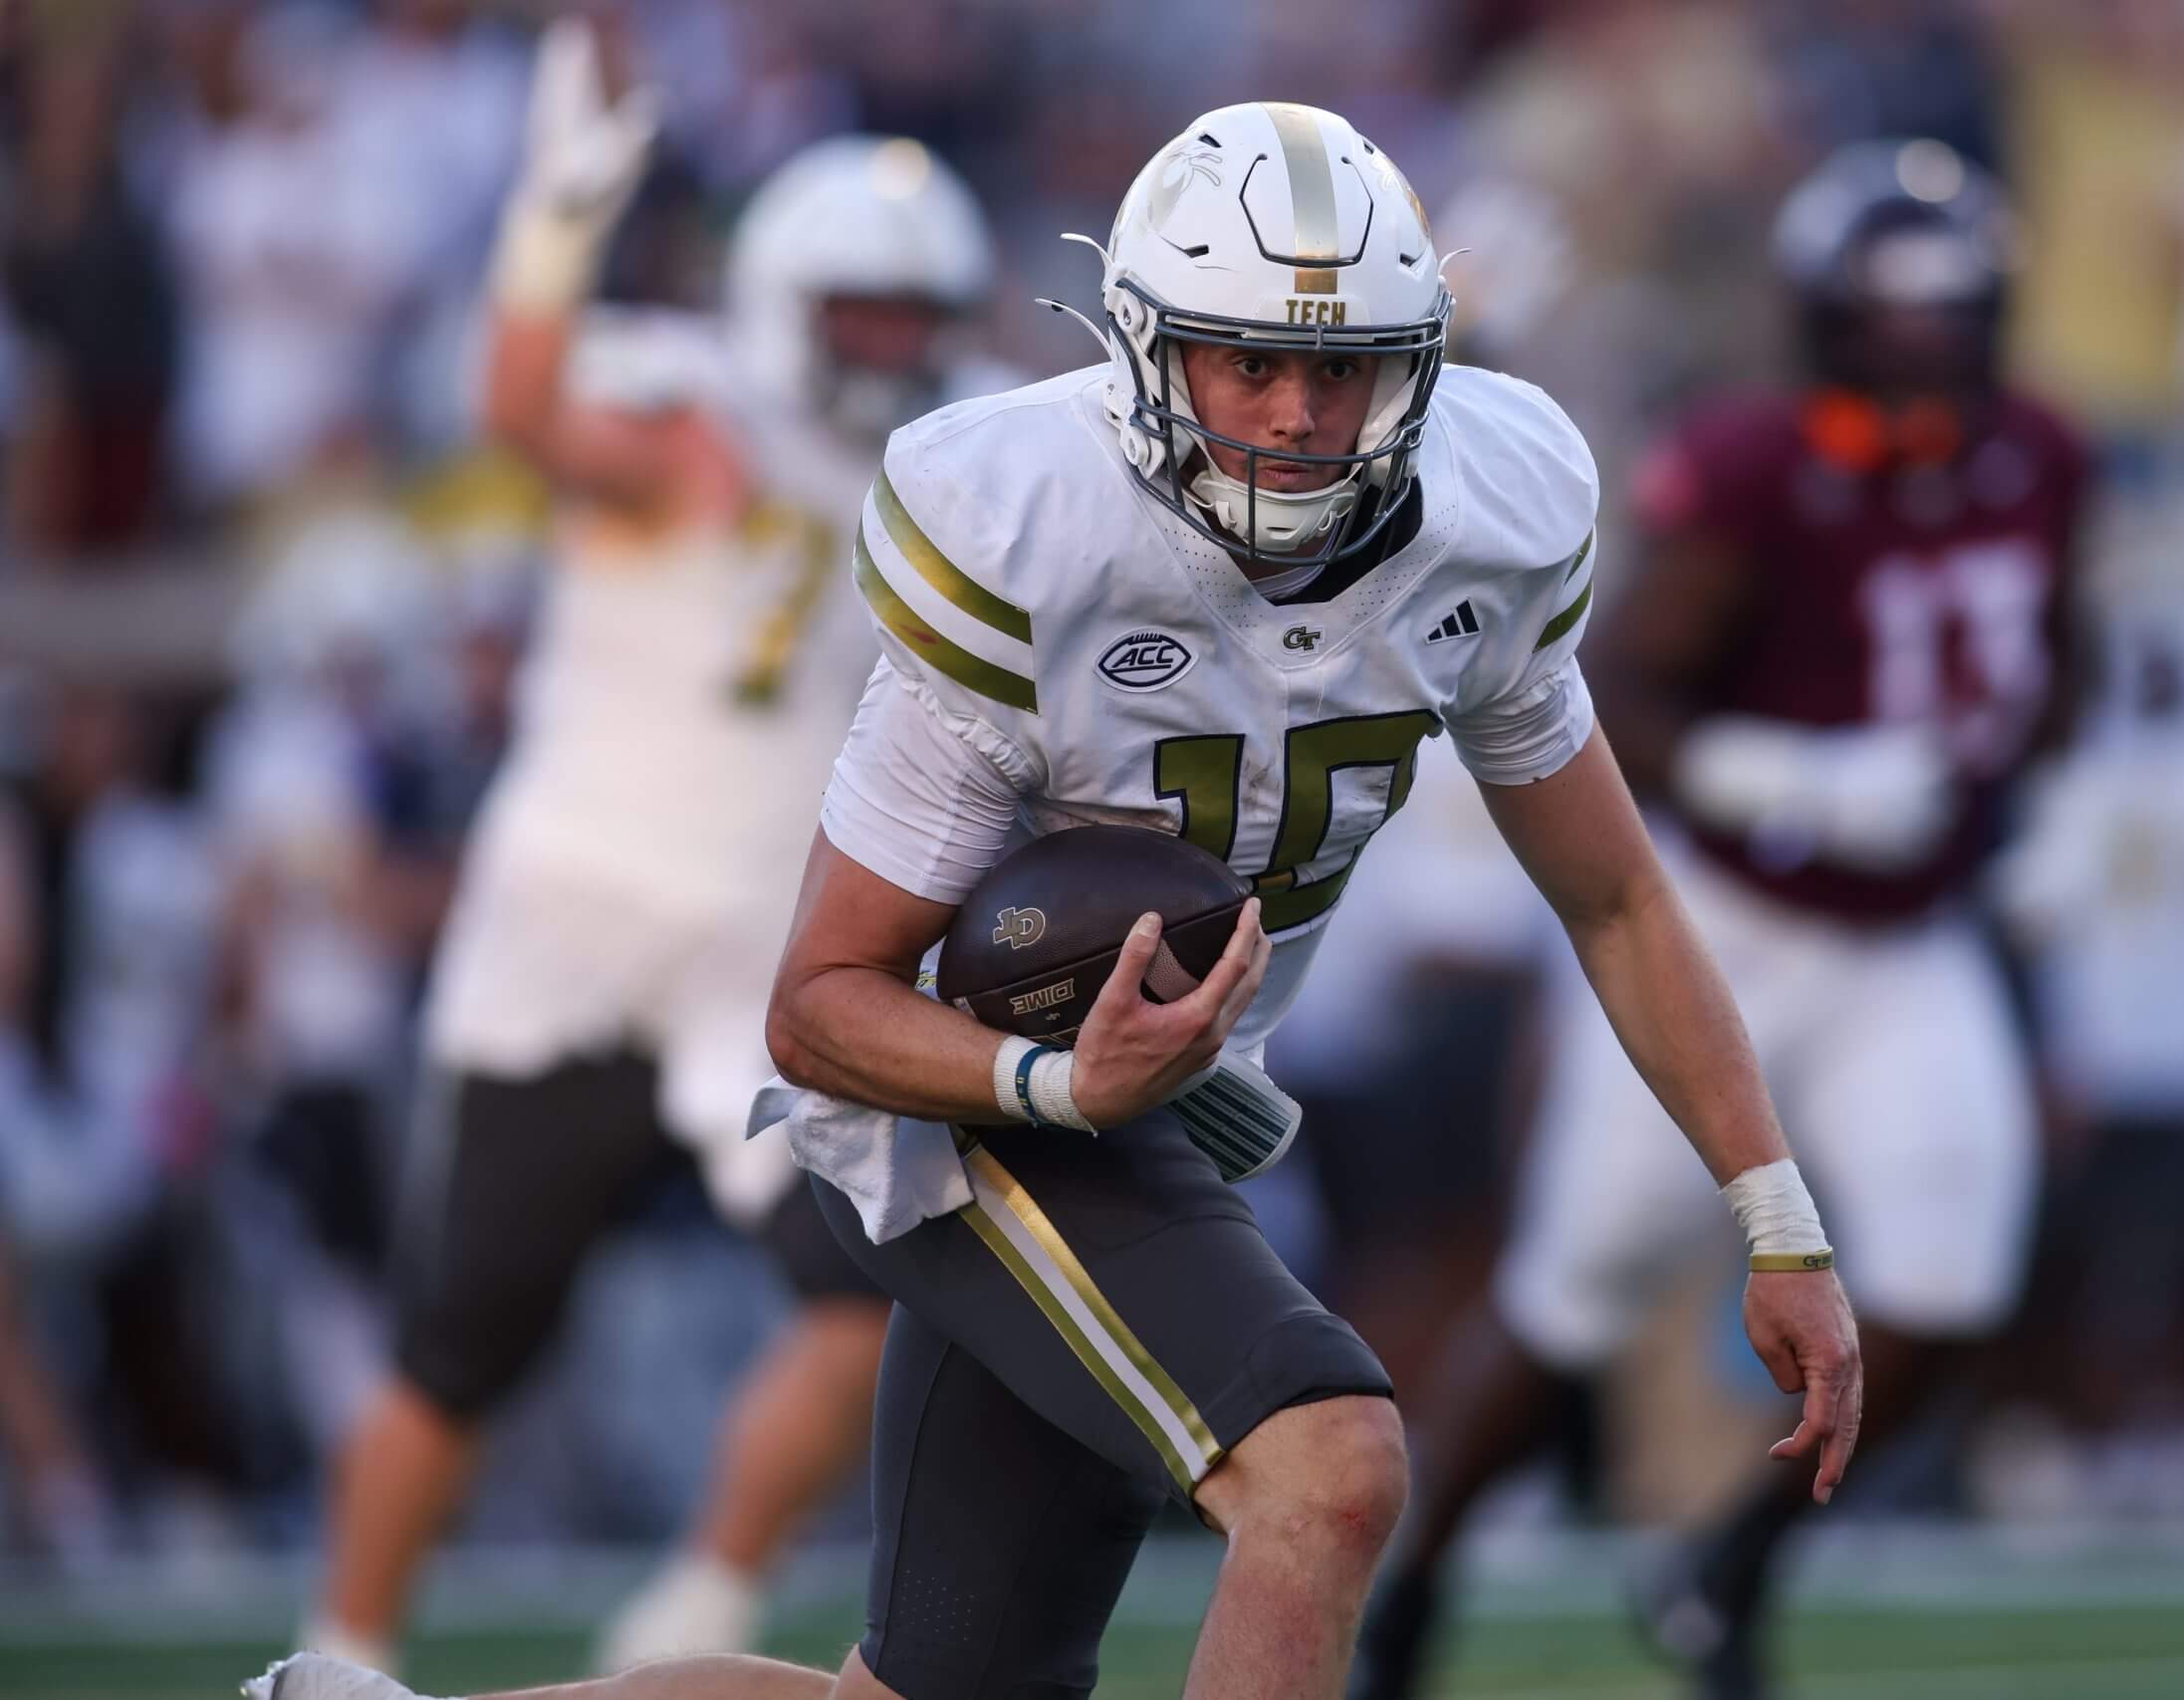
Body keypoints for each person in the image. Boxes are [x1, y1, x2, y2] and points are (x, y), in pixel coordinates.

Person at [252, 95, 1861, 1700]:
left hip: (1146, 1098)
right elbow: (819, 1006)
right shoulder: (1033, 536)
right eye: (1251, 361)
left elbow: (1619, 903)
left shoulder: (1485, 530)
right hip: (964, 1108)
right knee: (1330, 1469)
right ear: (1151, 352)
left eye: (1346, 365)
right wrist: (1050, 1080)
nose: (1302, 413)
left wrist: (1776, 1220)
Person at [294, 23, 1005, 1678]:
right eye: (860, 311)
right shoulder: (693, 402)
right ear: (778, 303)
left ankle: (702, 1601)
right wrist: (554, 221)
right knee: (459, 1343)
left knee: (869, 1299)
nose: (892, 343)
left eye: (915, 310)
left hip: (764, 960)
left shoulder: (959, 458)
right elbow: (522, 406)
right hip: (575, 926)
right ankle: (339, 1650)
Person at [1350, 140, 2090, 1700]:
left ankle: (1725, 1571)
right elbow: (1617, 689)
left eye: (1952, 309)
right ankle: (1408, 1592)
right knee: (1575, 1290)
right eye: (1891, 315)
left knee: (1955, 1282)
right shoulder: (1754, 464)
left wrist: (2040, 792)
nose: (1925, 345)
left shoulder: (2040, 453)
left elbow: (2060, 656)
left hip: (1909, 940)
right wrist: (1792, 773)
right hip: (1727, 932)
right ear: (1825, 316)